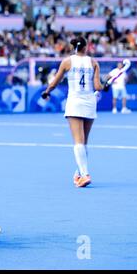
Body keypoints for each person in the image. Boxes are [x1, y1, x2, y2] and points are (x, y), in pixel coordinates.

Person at [41, 36, 103, 188]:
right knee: (84, 142)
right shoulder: (94, 62)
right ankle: (78, 173)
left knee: (78, 141)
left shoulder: (67, 61)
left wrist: (47, 91)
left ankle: (85, 174)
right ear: (86, 47)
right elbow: (98, 87)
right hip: (89, 102)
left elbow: (55, 81)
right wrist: (104, 83)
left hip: (75, 102)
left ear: (74, 47)